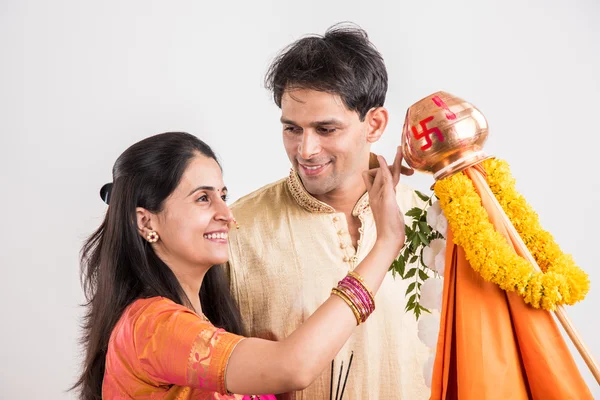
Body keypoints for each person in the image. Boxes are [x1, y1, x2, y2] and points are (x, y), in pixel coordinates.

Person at [73, 131, 409, 399]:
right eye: (203, 198)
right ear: (146, 223)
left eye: (223, 194)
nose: (226, 213)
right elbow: (293, 367)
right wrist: (385, 245)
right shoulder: (151, 327)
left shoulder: (206, 322)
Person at [226, 24, 429, 399]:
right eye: (292, 129)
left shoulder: (433, 222)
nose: (305, 150)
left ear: (375, 124)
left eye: (326, 128)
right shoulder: (236, 231)